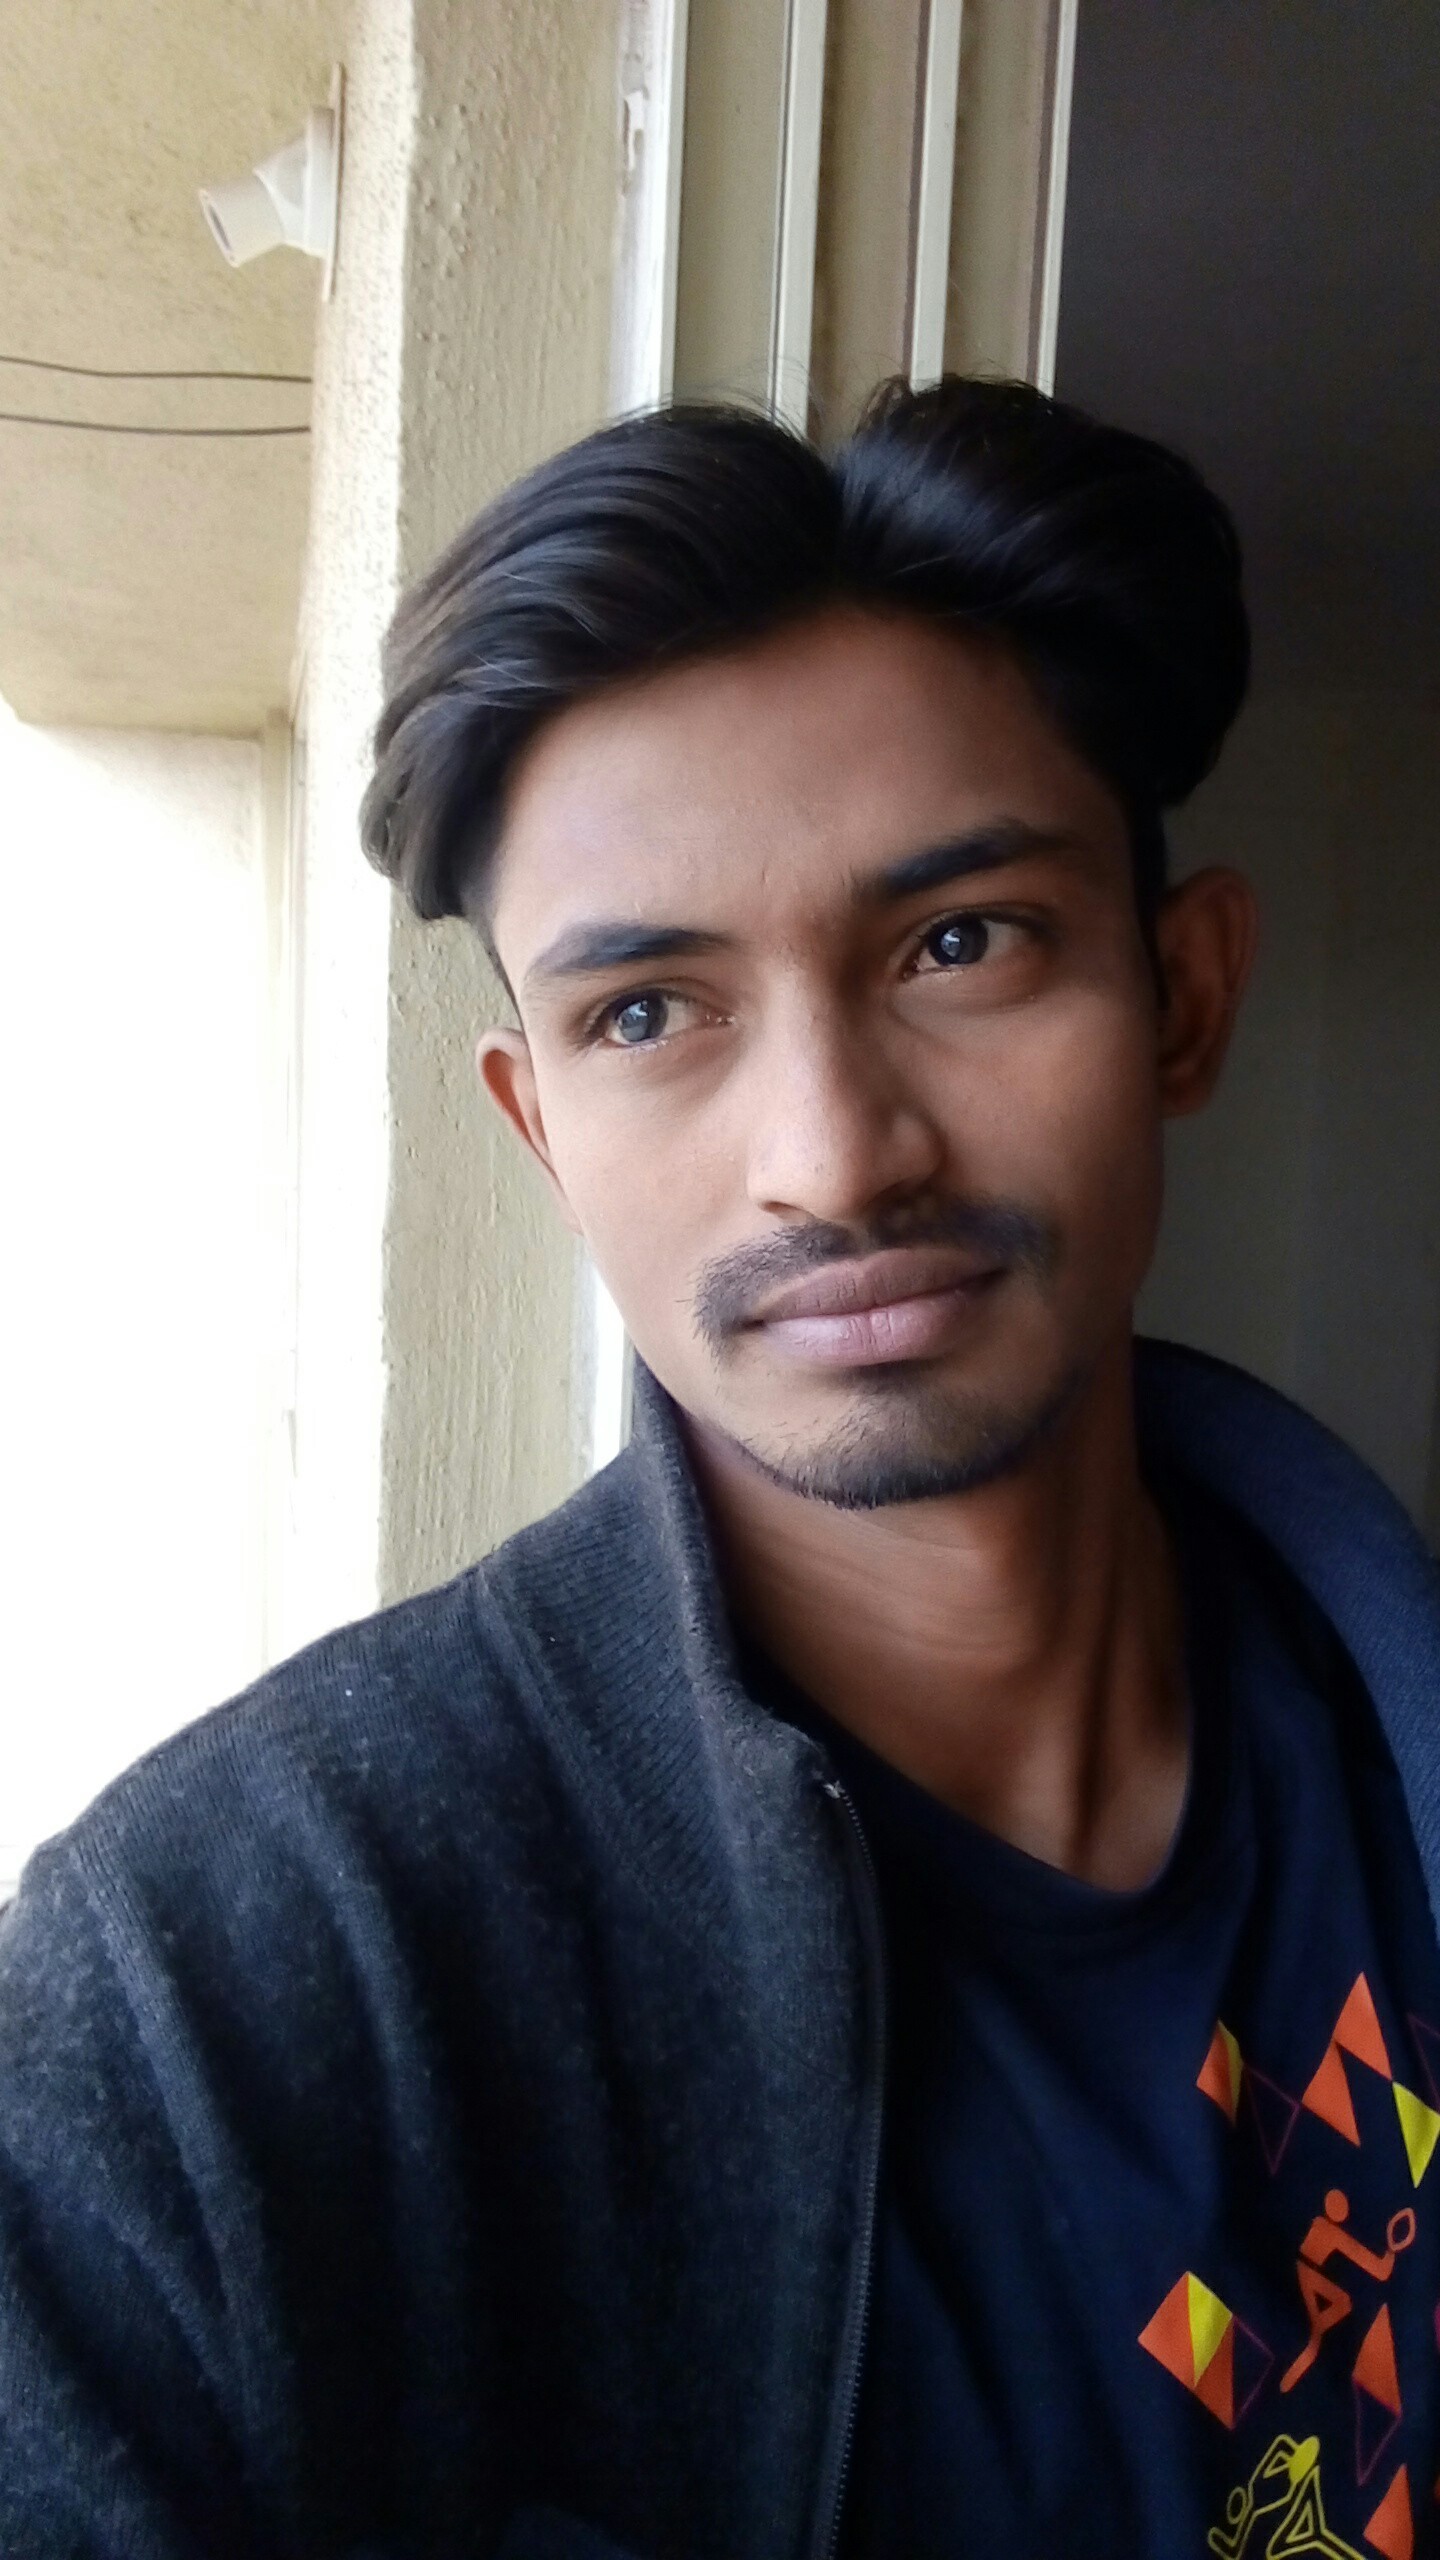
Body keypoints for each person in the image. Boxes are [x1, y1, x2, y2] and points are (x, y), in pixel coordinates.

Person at [3, 378, 1439, 2560]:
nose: (835, 1158)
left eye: (960, 942)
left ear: (1183, 993)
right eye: (650, 1014)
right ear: (539, 1126)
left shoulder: (1378, 1738)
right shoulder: (220, 1989)